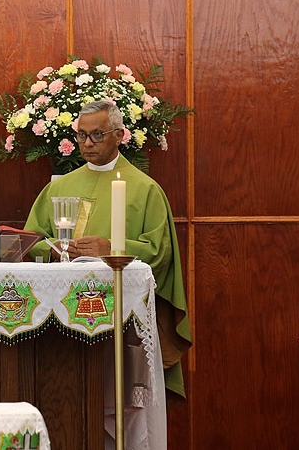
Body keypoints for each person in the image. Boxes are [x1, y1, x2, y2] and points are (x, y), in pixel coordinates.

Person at [23, 100, 192, 448]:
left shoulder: (144, 189)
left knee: (117, 408)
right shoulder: (58, 188)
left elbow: (158, 253)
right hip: (61, 325)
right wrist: (58, 248)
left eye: (97, 135)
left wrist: (111, 247)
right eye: (82, 135)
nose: (87, 143)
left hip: (120, 323)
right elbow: (29, 243)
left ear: (119, 135)